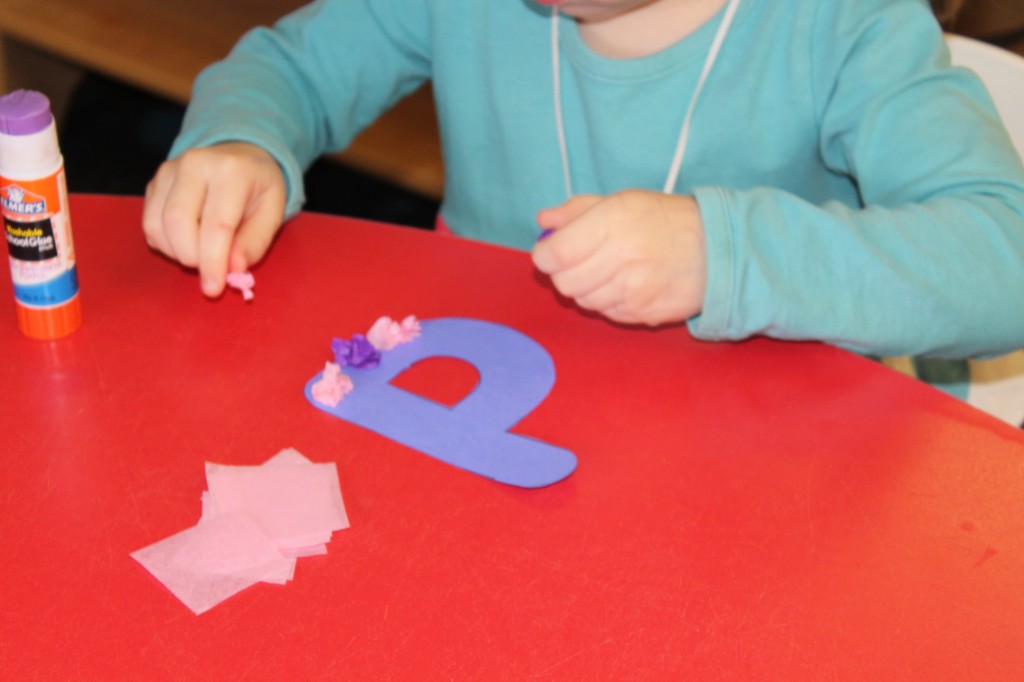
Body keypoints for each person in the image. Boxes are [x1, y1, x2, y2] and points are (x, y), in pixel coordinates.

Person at [142, 0, 1024, 362]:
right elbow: (293, 70)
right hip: (488, 412)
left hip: (770, 470)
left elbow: (1004, 261)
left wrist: (724, 254)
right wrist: (242, 142)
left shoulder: (846, 23)